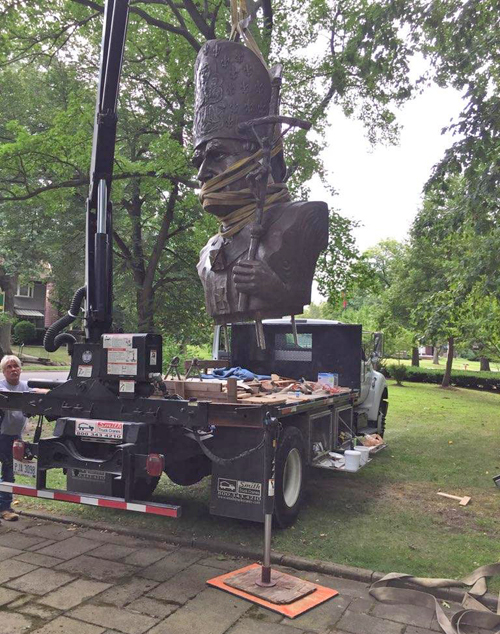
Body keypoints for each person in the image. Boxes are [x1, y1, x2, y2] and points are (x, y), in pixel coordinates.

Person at [193, 39, 329, 326]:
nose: (202, 173)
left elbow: (297, 293)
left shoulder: (301, 218)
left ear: (257, 158)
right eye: (199, 161)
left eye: (218, 155)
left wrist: (277, 289)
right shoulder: (208, 251)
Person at [0, 355, 29, 521]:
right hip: (1, 434)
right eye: (9, 367)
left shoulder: (24, 387)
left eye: (16, 366)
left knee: (9, 472)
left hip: (14, 437)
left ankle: (4, 508)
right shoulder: (1, 387)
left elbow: (37, 392)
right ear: (3, 371)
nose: (13, 370)